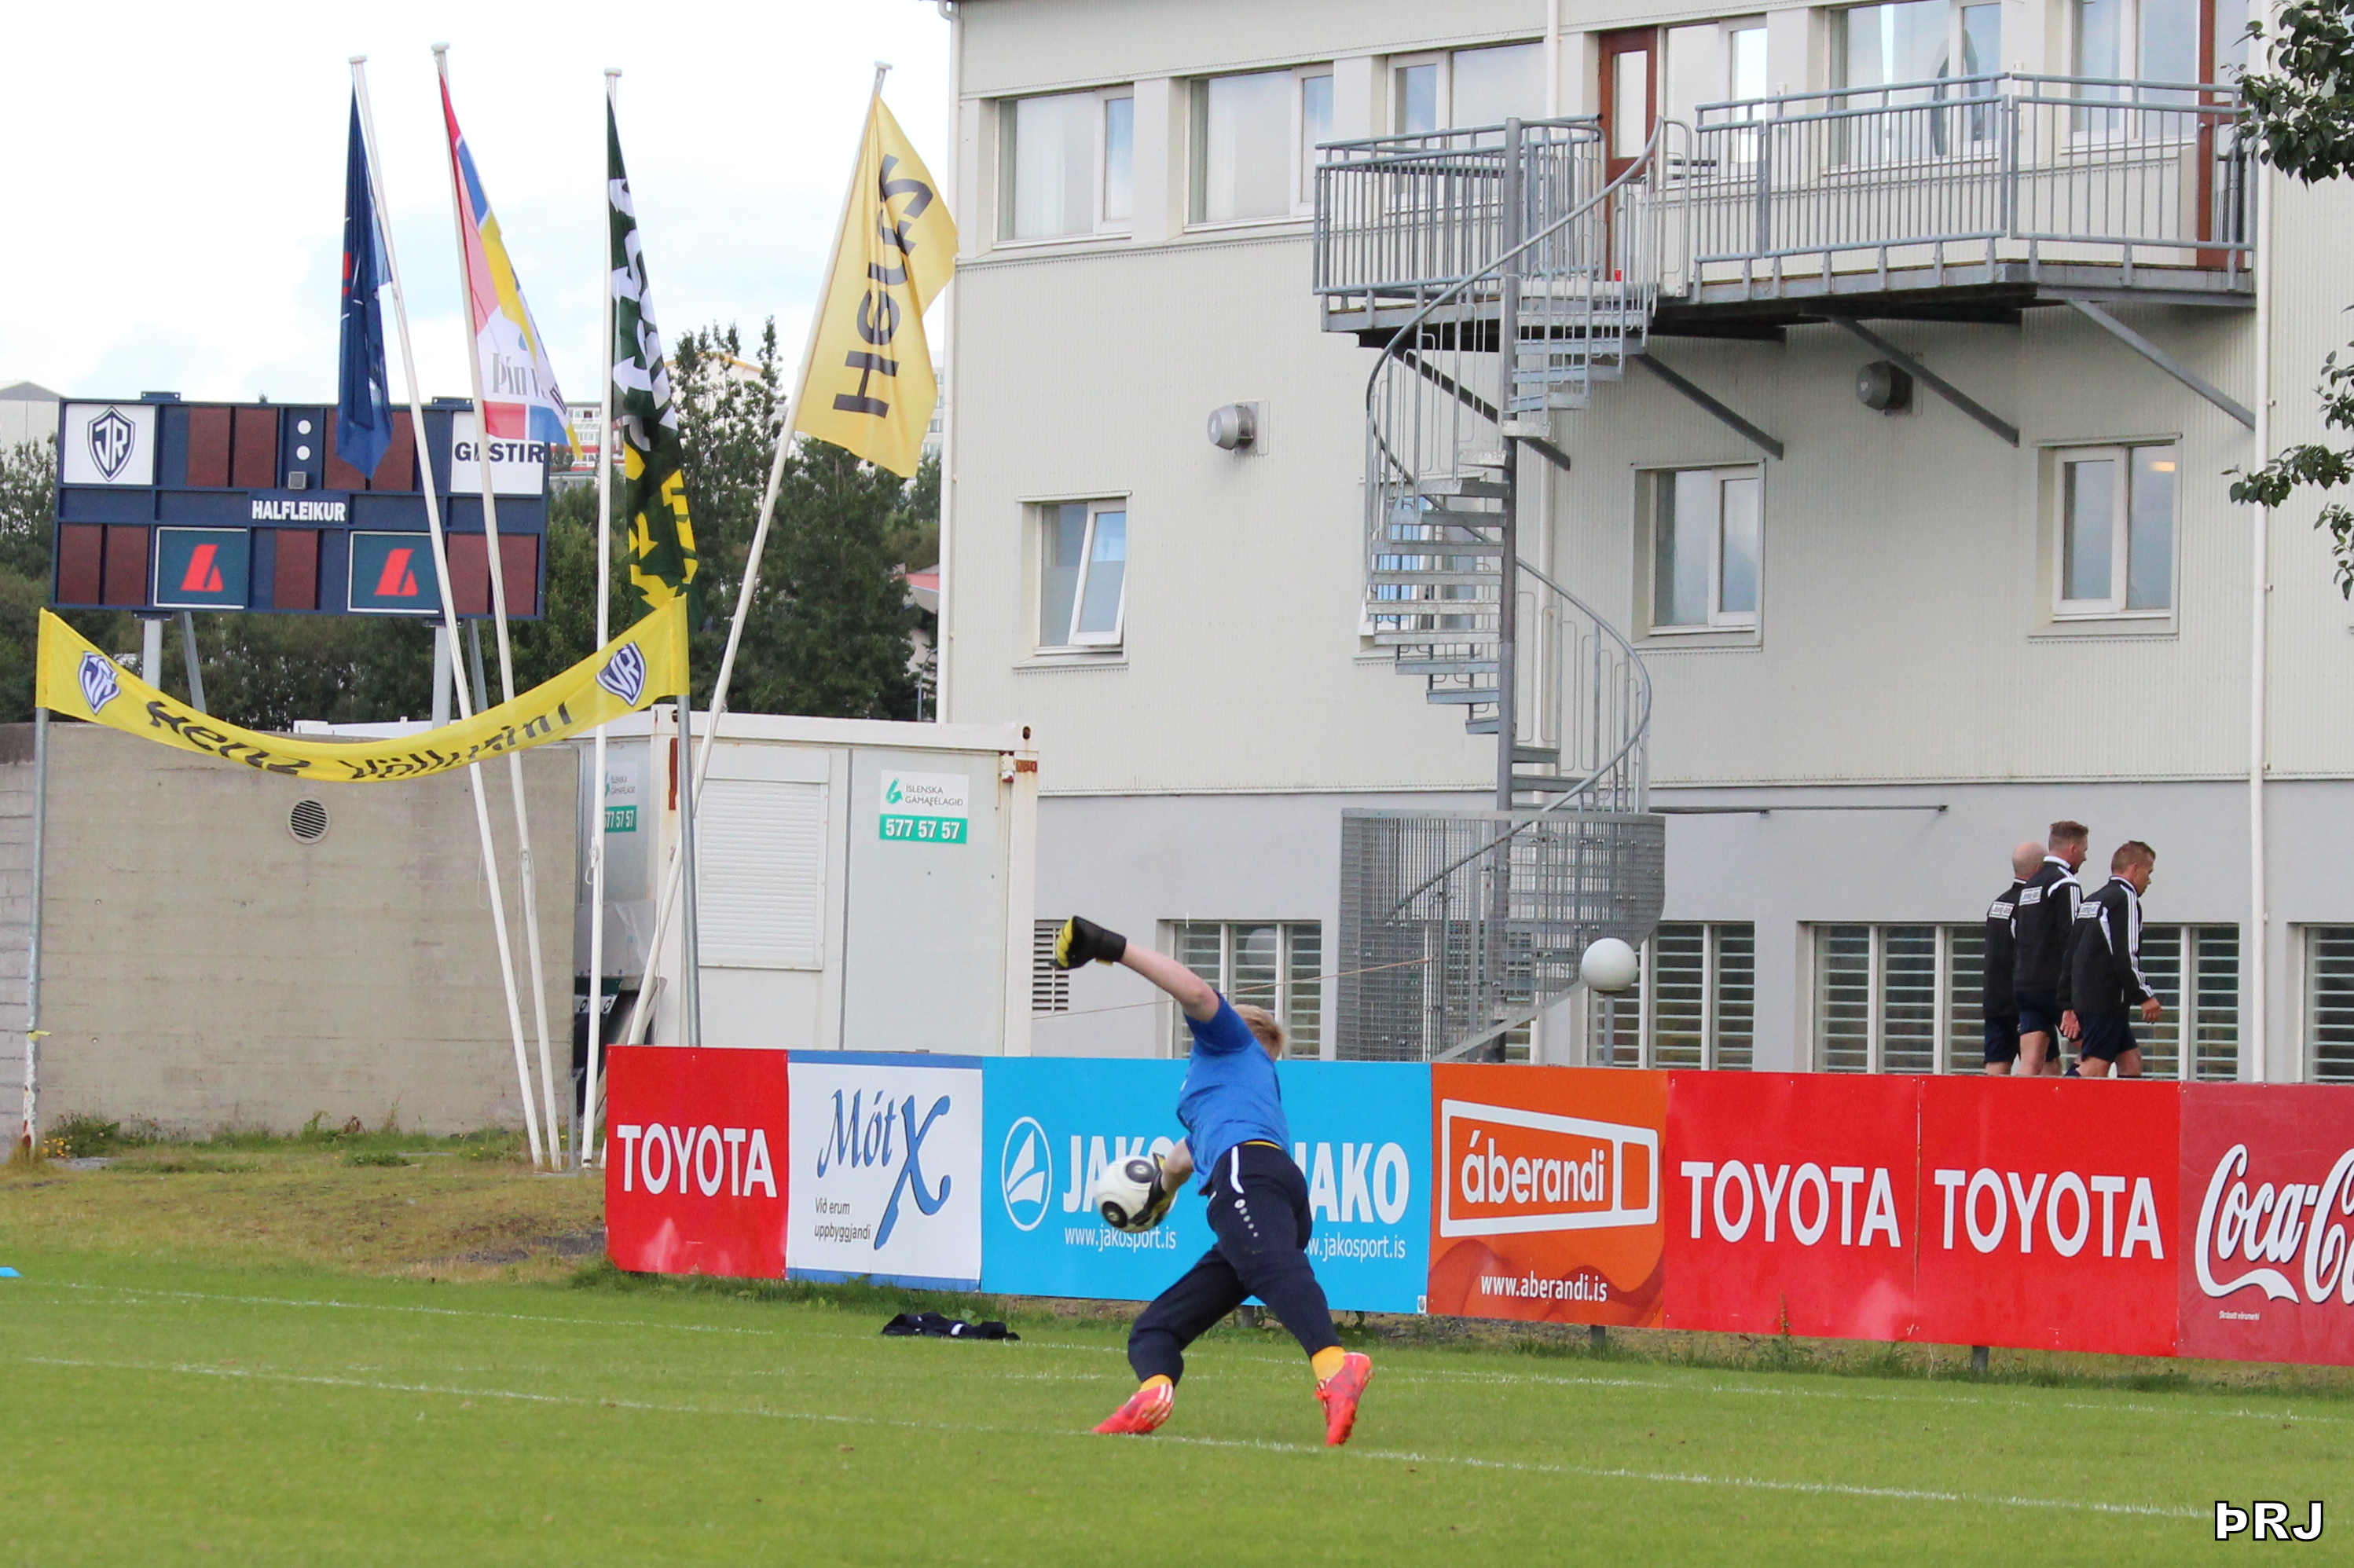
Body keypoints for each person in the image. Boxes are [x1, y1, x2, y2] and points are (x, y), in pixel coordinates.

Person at [1051, 914, 1373, 1445]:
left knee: (1272, 1266)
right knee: (1155, 1329)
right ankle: (1152, 1391)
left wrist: (1111, 946)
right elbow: (1179, 1160)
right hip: (1272, 1187)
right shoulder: (1238, 1087)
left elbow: (1197, 993)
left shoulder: (1229, 1045)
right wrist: (1158, 1193)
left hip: (1247, 1175)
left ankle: (1335, 1365)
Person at [2061, 841, 2162, 1079]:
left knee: (2130, 1061)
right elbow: (2125, 953)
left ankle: (2127, 1106)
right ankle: (2056, 1102)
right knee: (2095, 1066)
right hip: (2105, 999)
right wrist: (2144, 995)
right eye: (2148, 872)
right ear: (2134, 869)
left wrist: (2067, 1002)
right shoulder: (2125, 898)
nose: (2149, 880)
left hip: (2087, 997)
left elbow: (2070, 953)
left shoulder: (2093, 900)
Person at [2011, 820, 2088, 1075]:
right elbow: (2073, 941)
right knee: (2097, 1050)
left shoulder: (2031, 884)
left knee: (2030, 1064)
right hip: (2055, 988)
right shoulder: (2066, 883)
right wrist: (2072, 999)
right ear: (2073, 848)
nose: (2085, 857)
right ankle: (2065, 1095)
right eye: (2084, 850)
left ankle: (2020, 1103)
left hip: (2026, 984)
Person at [1982, 842, 2042, 1075]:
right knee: (2043, 1065)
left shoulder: (1999, 903)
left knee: (1997, 1063)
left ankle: (1991, 1101)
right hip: (2019, 999)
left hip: (1994, 998)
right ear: (2039, 870)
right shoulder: (2029, 905)